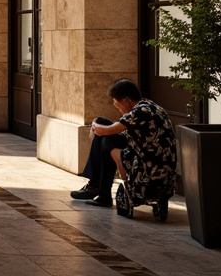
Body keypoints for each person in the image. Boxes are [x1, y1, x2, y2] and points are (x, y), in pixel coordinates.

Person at [70, 78, 177, 210]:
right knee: (103, 125)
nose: (118, 108)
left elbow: (106, 130)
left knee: (106, 139)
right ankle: (95, 186)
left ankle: (101, 191)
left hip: (149, 169)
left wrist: (94, 125)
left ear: (126, 100)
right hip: (155, 162)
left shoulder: (139, 112)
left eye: (116, 103)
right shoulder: (149, 106)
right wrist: (98, 122)